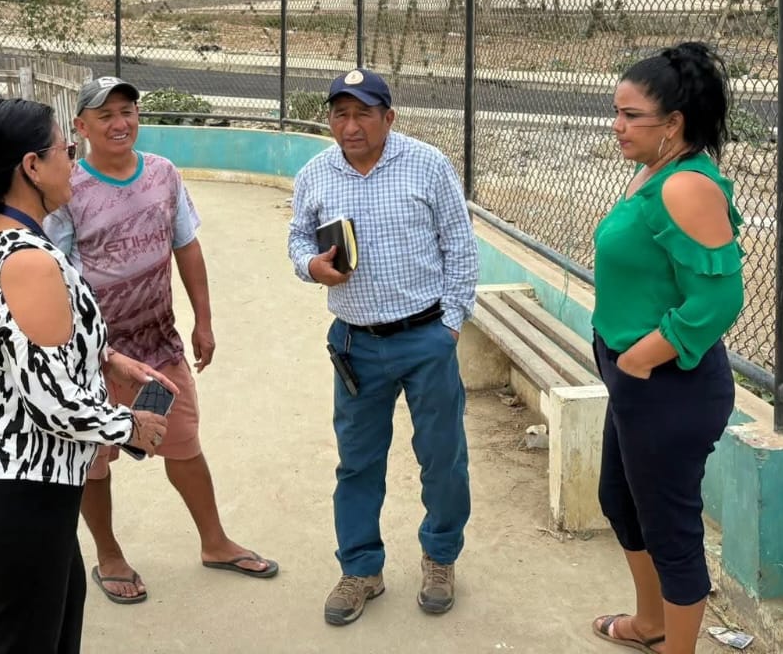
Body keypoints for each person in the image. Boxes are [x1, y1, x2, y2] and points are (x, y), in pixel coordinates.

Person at [0, 96, 174, 654]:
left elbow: (9, 351)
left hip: (6, 483)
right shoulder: (29, 261)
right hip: (16, 489)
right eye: (66, 149)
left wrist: (106, 358)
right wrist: (130, 427)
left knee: (55, 626)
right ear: (32, 167)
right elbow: (51, 401)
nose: (74, 161)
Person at [46, 75, 277, 604]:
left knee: (184, 443)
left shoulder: (163, 174)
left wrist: (203, 321)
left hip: (159, 345)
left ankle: (215, 542)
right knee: (95, 461)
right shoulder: (67, 190)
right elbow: (53, 274)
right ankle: (109, 555)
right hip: (94, 358)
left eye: (127, 111)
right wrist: (85, 351)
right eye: (105, 115)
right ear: (81, 127)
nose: (120, 123)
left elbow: (186, 246)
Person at [287, 68, 478, 627]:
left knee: (443, 458)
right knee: (357, 462)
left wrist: (449, 325)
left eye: (362, 114)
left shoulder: (428, 165)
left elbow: (460, 245)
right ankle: (360, 569)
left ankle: (440, 558)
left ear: (388, 117)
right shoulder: (316, 173)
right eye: (339, 114)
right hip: (355, 344)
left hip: (426, 339)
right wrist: (311, 265)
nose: (350, 126)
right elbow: (298, 236)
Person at [587, 42, 745, 654]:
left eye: (632, 115)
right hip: (635, 379)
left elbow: (719, 300)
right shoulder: (654, 172)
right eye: (617, 112)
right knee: (621, 501)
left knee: (670, 528)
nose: (617, 126)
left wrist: (638, 358)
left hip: (669, 385)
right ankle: (650, 623)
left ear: (673, 123)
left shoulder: (686, 187)